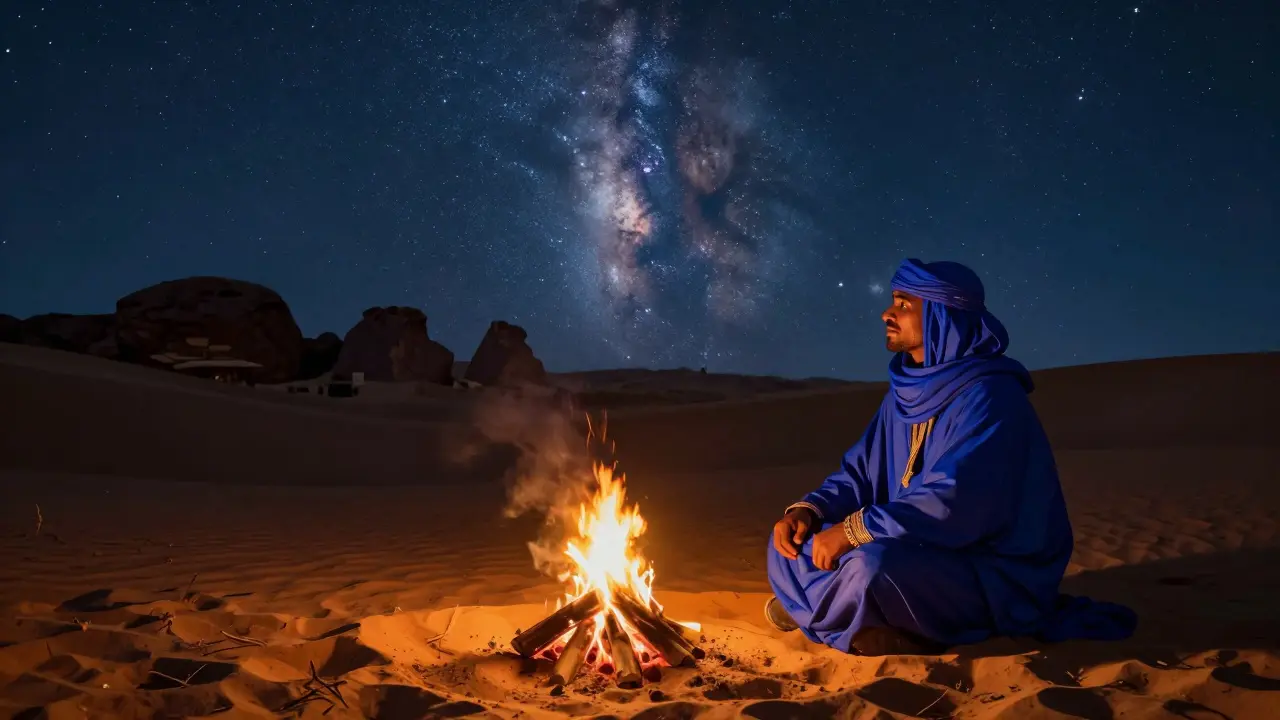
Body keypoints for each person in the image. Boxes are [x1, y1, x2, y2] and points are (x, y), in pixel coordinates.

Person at [765, 258, 1135, 656]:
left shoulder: (991, 396)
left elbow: (955, 502)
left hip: (985, 568)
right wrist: (810, 512)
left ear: (942, 313)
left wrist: (854, 531)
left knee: (874, 569)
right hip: (913, 545)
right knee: (785, 546)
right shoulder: (904, 394)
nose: (887, 313)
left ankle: (826, 615)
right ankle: (856, 621)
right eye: (893, 301)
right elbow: (859, 474)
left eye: (904, 304)